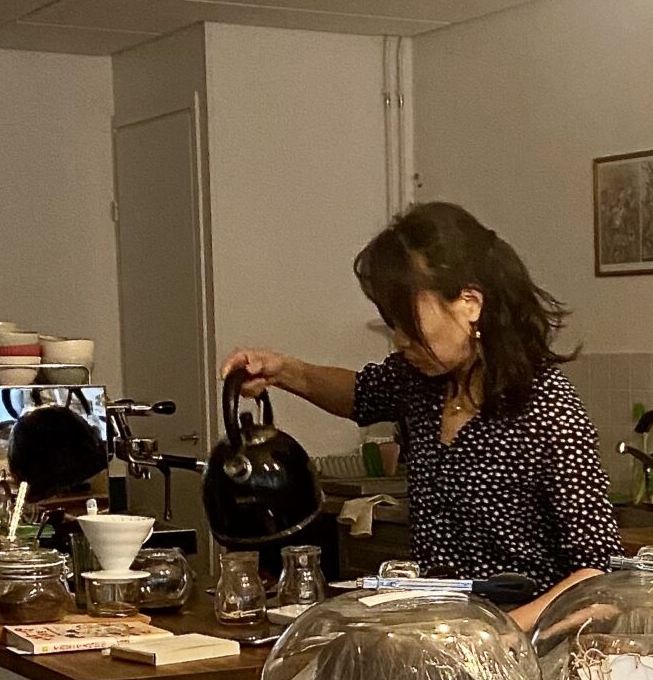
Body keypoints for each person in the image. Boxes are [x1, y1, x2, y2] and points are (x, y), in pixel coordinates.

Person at [221, 202, 619, 630]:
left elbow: (597, 573)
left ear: (470, 303)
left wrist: (499, 634)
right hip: (438, 633)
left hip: (521, 645)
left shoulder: (546, 407)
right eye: (392, 323)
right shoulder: (421, 381)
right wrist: (283, 371)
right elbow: (359, 394)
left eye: (409, 323)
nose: (399, 340)